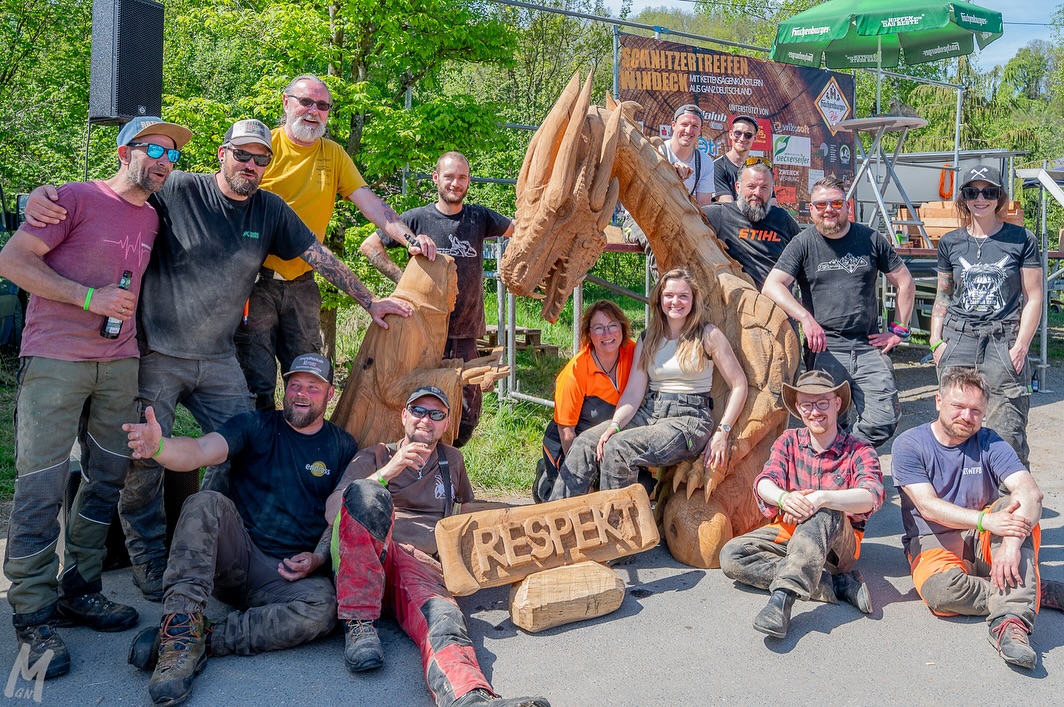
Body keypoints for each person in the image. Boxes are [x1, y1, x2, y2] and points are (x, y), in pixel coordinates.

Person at [23, 118, 411, 603]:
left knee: (248, 446)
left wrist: (371, 302)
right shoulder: (179, 189)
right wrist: (47, 193)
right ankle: (149, 557)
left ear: (268, 165)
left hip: (218, 358)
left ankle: (231, 543)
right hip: (157, 355)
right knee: (143, 457)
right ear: (222, 154)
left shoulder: (270, 209)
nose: (250, 165)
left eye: (260, 158)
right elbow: (118, 190)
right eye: (242, 155)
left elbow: (318, 256)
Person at [0, 116, 191, 678]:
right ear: (123, 149)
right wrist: (88, 298)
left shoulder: (154, 216)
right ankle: (31, 617)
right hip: (57, 357)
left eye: (172, 154)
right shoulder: (73, 199)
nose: (163, 160)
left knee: (107, 476)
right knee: (42, 481)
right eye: (153, 148)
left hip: (119, 363)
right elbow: (12, 261)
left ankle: (78, 587)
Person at [123, 354, 358, 705]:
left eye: (313, 387)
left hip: (286, 578)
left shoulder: (342, 445)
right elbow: (202, 449)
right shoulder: (255, 425)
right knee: (203, 503)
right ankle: (178, 635)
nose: (301, 393)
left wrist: (317, 557)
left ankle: (200, 639)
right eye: (294, 384)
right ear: (285, 387)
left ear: (329, 394)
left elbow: (336, 516)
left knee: (323, 607)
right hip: (236, 558)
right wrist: (160, 447)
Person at [327, 386, 549, 707]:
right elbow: (334, 510)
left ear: (446, 424)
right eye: (418, 411)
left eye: (436, 414)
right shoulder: (375, 455)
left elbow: (465, 519)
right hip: (375, 557)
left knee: (444, 618)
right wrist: (389, 472)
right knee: (366, 492)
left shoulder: (452, 461)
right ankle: (359, 625)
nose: (425, 420)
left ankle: (469, 698)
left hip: (421, 570)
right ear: (404, 415)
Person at [236, 74, 436, 411]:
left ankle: (298, 453)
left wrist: (409, 238)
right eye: (306, 102)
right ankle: (249, 459)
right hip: (256, 285)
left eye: (323, 105)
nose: (314, 111)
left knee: (307, 379)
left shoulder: (334, 154)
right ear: (286, 103)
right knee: (255, 386)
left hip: (303, 285)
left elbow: (372, 204)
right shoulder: (263, 150)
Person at [891, 368, 1064, 669]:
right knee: (940, 595)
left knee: (1013, 508)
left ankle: (1010, 625)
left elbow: (1031, 493)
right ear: (938, 401)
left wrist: (1011, 543)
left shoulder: (989, 441)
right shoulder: (909, 445)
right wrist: (985, 522)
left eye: (976, 411)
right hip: (934, 540)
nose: (966, 416)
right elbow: (928, 506)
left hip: (986, 539)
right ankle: (1029, 589)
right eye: (958, 406)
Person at [552, 268, 747, 498]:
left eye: (683, 296)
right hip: (650, 411)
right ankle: (553, 519)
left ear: (693, 300)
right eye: (669, 295)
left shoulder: (707, 334)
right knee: (585, 442)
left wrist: (723, 431)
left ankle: (615, 527)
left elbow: (739, 384)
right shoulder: (649, 337)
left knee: (618, 448)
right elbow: (634, 393)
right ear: (660, 299)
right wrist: (614, 425)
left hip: (688, 418)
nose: (676, 301)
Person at [360, 151, 512, 446]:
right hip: (424, 338)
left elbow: (519, 231)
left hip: (466, 334)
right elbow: (370, 246)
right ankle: (416, 475)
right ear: (436, 179)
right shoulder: (416, 219)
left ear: (469, 181)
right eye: (449, 177)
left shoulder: (480, 217)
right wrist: (406, 282)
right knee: (421, 411)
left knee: (466, 418)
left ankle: (446, 469)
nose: (456, 183)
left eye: (462, 177)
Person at [719, 370, 883, 639]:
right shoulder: (788, 441)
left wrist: (822, 498)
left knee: (823, 508)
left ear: (837, 403)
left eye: (822, 403)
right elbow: (764, 482)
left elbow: (872, 494)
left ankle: (781, 601)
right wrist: (784, 498)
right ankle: (833, 585)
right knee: (732, 556)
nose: (815, 411)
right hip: (789, 533)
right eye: (807, 404)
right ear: (797, 408)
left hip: (838, 546)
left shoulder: (859, 449)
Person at [762, 175, 915, 448]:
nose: (828, 210)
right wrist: (805, 319)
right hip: (825, 348)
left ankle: (851, 454)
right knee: (829, 419)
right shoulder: (803, 243)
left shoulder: (870, 239)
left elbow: (904, 282)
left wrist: (898, 330)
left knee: (884, 418)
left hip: (868, 345)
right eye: (821, 205)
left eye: (835, 203)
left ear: (847, 206)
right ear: (811, 210)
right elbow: (772, 286)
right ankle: (845, 473)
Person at [931, 164, 1041, 467]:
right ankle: (954, 499)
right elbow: (944, 293)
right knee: (953, 422)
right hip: (957, 337)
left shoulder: (1020, 239)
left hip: (1001, 340)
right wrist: (935, 340)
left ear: (999, 197)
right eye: (972, 192)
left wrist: (1021, 346)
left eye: (989, 192)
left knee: (1007, 424)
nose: (981, 198)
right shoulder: (950, 242)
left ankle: (1010, 502)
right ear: (963, 197)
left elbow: (1034, 297)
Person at [534, 300, 635, 503]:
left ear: (622, 328)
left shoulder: (633, 352)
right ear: (589, 334)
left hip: (608, 439)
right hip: (567, 443)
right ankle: (544, 480)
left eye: (613, 325)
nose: (607, 334)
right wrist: (583, 475)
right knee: (571, 500)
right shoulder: (574, 372)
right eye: (599, 328)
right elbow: (566, 431)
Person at [623, 104, 716, 278]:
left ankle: (694, 295)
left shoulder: (705, 162)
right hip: (640, 217)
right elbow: (646, 197)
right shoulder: (656, 151)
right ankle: (665, 290)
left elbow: (703, 207)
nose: (689, 130)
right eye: (684, 124)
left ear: (700, 131)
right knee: (659, 238)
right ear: (673, 125)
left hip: (679, 219)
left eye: (695, 126)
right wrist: (671, 175)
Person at [703, 161, 799, 290]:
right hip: (738, 301)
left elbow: (805, 254)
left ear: (771, 191)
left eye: (764, 187)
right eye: (751, 186)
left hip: (777, 301)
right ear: (738, 187)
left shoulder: (783, 219)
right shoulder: (720, 215)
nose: (757, 193)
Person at [712, 115, 759, 203]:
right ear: (731, 134)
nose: (742, 138)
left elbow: (771, 203)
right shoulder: (717, 166)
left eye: (748, 135)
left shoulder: (760, 168)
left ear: (754, 138)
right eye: (738, 133)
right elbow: (728, 206)